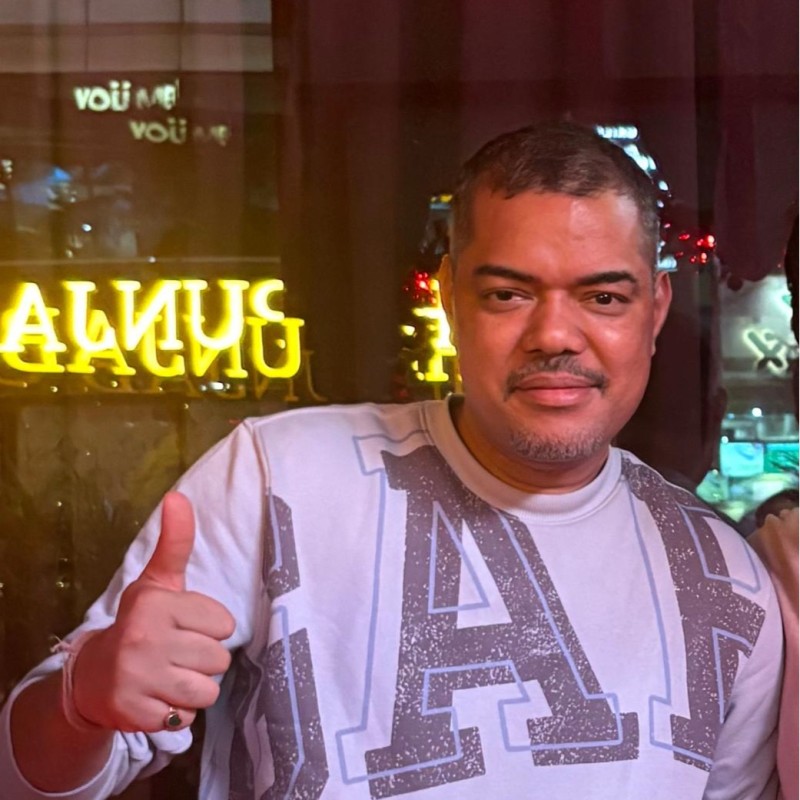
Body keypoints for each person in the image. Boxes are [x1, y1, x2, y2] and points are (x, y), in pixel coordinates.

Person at [0, 122, 783, 799]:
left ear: (655, 310)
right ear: (448, 299)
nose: (554, 335)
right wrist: (81, 702)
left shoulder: (730, 580)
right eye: (507, 295)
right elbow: (23, 778)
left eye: (604, 298)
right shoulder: (279, 476)